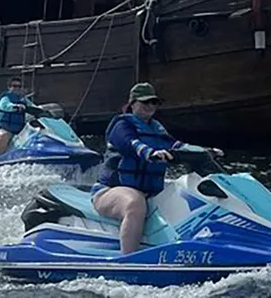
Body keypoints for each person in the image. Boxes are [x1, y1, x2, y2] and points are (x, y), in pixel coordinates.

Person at [90, 82, 223, 255]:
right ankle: (129, 259)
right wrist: (150, 153)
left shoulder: (158, 130)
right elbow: (131, 144)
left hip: (147, 192)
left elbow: (179, 145)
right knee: (135, 204)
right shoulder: (121, 126)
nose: (150, 106)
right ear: (132, 104)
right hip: (110, 191)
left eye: (154, 102)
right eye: (145, 102)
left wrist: (206, 151)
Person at [0, 76, 37, 156]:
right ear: (9, 87)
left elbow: (33, 107)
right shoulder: (5, 98)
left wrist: (43, 111)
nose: (17, 88)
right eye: (14, 86)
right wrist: (16, 106)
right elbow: (6, 106)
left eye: (19, 86)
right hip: (0, 130)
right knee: (4, 136)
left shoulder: (24, 100)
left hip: (18, 132)